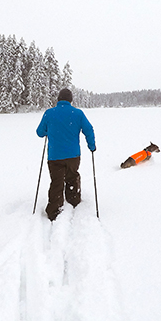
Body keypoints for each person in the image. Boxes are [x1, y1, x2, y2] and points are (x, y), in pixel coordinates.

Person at [36, 88, 96, 221]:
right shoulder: (78, 113)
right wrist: (91, 146)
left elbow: (40, 132)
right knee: (72, 176)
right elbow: (88, 129)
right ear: (70, 100)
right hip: (73, 155)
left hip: (55, 156)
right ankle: (73, 199)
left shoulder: (49, 113)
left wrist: (49, 129)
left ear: (58, 99)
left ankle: (53, 210)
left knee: (57, 181)